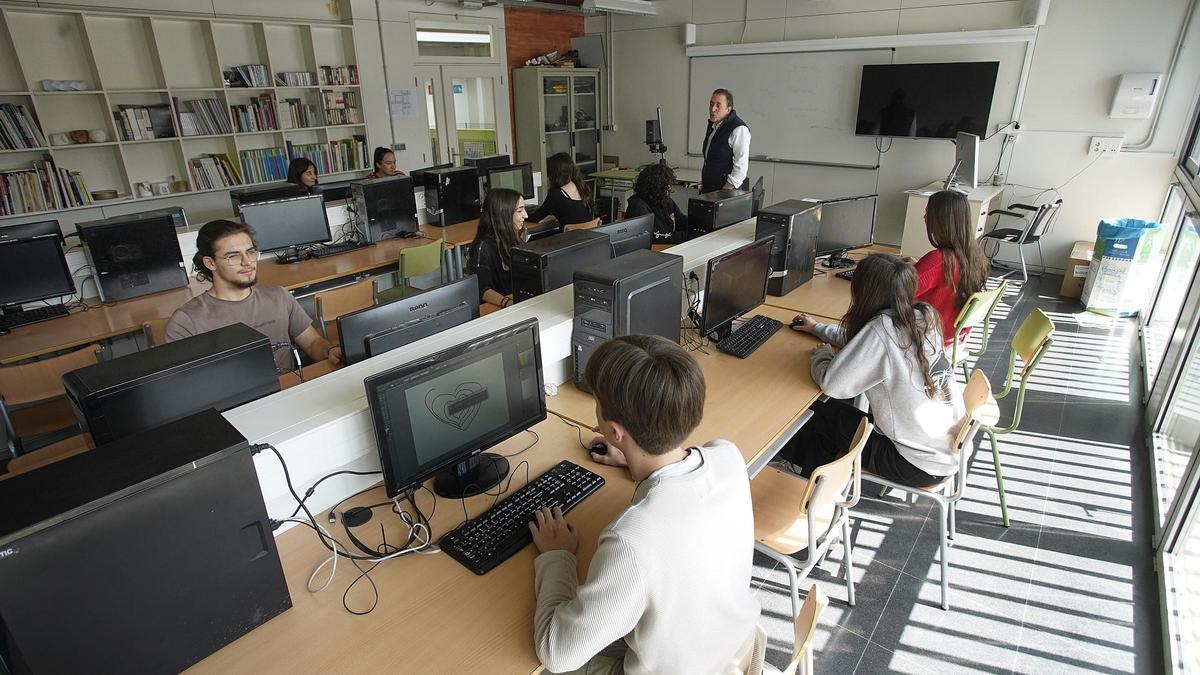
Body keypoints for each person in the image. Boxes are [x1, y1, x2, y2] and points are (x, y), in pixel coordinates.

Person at [528, 334, 760, 675]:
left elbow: (557, 653)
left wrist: (556, 556)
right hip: (732, 649)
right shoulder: (728, 455)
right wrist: (634, 461)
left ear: (615, 430)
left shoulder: (632, 538)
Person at [785, 253, 965, 488]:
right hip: (939, 452)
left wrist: (823, 355)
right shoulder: (922, 316)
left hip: (911, 463)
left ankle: (808, 488)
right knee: (837, 418)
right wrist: (818, 328)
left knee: (815, 414)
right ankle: (816, 484)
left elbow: (832, 384)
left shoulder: (881, 329)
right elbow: (865, 345)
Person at [165, 219, 342, 370]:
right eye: (233, 256)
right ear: (210, 263)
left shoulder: (278, 296)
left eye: (250, 252)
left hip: (290, 392)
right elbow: (189, 384)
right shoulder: (187, 321)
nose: (247, 262)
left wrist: (329, 350)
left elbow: (312, 343)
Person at [916, 190, 990, 346]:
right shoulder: (973, 255)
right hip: (952, 338)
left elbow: (898, 290)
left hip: (928, 339)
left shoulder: (939, 260)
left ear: (941, 221)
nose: (924, 217)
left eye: (928, 212)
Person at [466, 188, 527, 307]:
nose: (526, 215)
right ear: (503, 214)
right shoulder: (484, 247)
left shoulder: (514, 237)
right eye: (520, 211)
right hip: (496, 308)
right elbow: (483, 289)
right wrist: (508, 303)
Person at [700, 88, 751, 194]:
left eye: (718, 105)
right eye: (711, 104)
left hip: (725, 193)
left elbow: (741, 167)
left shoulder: (739, 129)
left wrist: (724, 192)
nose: (712, 109)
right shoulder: (714, 125)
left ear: (728, 109)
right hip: (711, 190)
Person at [623, 163, 688, 242]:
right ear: (654, 185)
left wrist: (700, 225)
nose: (669, 188)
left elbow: (681, 220)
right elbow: (653, 237)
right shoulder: (638, 207)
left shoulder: (666, 201)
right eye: (665, 184)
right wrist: (687, 236)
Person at [528, 152, 593, 226]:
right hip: (589, 235)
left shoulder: (556, 194)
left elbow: (536, 218)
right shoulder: (583, 187)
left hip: (568, 237)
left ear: (553, 173)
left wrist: (519, 214)